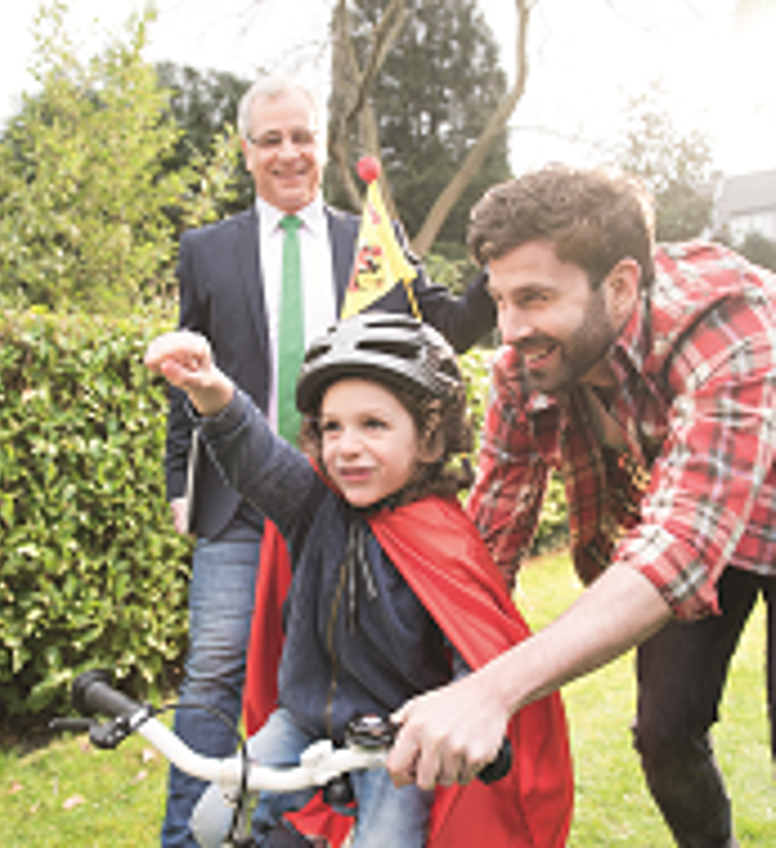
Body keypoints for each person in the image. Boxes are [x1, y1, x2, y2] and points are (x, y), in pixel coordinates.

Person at [386, 164, 776, 847]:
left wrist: (493, 691)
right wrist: (419, 662)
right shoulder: (522, 370)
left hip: (738, 509)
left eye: (533, 298)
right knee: (663, 733)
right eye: (499, 299)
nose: (508, 330)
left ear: (622, 284)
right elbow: (493, 536)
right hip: (696, 521)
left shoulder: (730, 320)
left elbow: (680, 549)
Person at [161, 74, 496, 846]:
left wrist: (503, 266)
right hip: (249, 498)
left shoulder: (367, 239)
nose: (288, 152)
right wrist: (180, 478)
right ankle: (189, 841)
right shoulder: (204, 251)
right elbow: (187, 376)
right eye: (270, 139)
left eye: (302, 136)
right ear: (246, 152)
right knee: (213, 672)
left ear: (323, 146)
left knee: (377, 649)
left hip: (360, 499)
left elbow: (444, 321)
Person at [147, 312, 573, 848]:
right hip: (300, 720)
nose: (346, 446)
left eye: (373, 424)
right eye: (332, 426)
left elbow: (472, 655)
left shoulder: (446, 542)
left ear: (429, 440)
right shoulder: (313, 506)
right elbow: (255, 457)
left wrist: (473, 714)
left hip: (392, 744)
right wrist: (212, 392)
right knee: (214, 824)